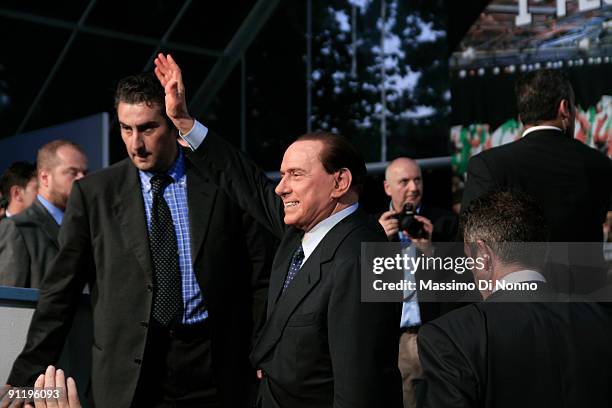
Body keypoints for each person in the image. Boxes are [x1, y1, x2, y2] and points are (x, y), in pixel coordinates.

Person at [5, 72, 275, 408]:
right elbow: (61, 290)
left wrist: (261, 350)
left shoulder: (218, 184)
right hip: (128, 371)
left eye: (147, 128)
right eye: (126, 128)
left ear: (172, 124)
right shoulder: (95, 194)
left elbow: (260, 276)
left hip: (215, 367)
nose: (136, 143)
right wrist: (23, 379)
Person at [153, 53, 401, 408]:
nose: (282, 188)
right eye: (282, 175)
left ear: (340, 182)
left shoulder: (364, 257)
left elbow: (362, 388)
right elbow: (247, 182)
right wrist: (183, 121)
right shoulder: (302, 231)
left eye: (296, 175)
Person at [418, 190, 612, 408]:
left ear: (483, 255)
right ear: (545, 251)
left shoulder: (452, 337)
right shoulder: (601, 318)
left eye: (468, 258)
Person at [462, 69, 612, 294]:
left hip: (518, 302)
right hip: (588, 301)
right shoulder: (599, 163)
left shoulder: (488, 165)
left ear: (522, 115)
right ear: (564, 109)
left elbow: (470, 239)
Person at [378, 157, 459, 408]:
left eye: (418, 180)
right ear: (387, 187)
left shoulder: (446, 223)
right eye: (404, 181)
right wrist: (377, 242)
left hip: (437, 333)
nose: (413, 187)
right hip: (396, 340)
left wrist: (433, 250)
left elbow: (465, 280)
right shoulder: (373, 226)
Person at [0, 142, 87, 288]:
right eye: (72, 172)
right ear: (45, 177)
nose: (81, 179)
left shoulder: (84, 227)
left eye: (85, 173)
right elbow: (10, 304)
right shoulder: (17, 228)